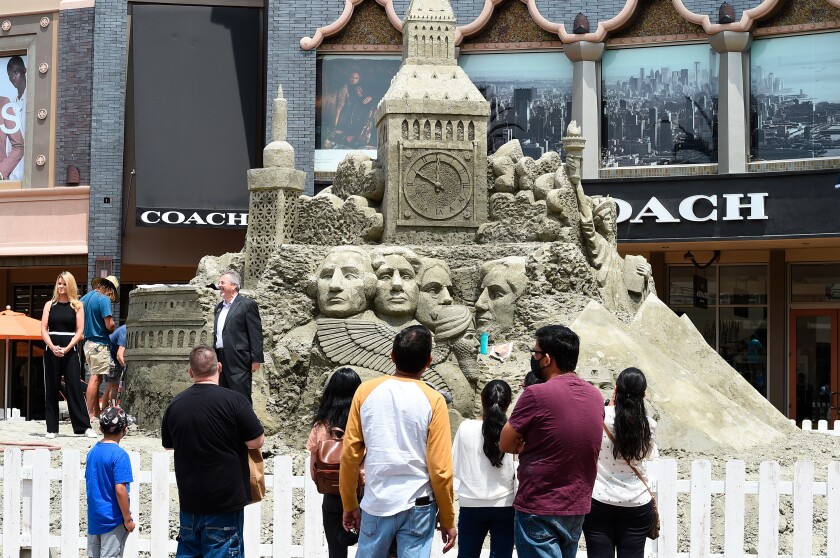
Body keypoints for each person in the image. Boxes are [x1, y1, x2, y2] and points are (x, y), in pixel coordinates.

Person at [340, 325, 457, 556]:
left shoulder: (366, 391)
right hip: (419, 504)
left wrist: (349, 503)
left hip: (376, 501)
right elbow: (440, 469)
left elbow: (350, 454)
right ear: (429, 361)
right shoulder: (434, 400)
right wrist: (447, 517)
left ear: (392, 356)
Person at [499, 325, 604, 558]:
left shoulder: (536, 394)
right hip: (576, 506)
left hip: (539, 505)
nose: (534, 359)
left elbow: (505, 443)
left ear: (547, 359)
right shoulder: (596, 396)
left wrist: (525, 443)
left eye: (536, 354)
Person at [161, 345, 265, 557]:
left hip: (189, 503)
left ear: (191, 372)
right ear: (219, 367)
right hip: (225, 503)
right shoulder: (235, 401)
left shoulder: (175, 405)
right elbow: (257, 441)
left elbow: (168, 444)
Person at [583, 367, 658, 558]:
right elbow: (647, 455)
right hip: (637, 502)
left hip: (599, 499)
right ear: (644, 394)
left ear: (615, 389)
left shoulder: (599, 416)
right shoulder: (649, 424)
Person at [452, 380, 516, 558]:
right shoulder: (514, 431)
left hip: (471, 504)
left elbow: (456, 468)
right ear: (508, 402)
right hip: (505, 504)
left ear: (482, 399)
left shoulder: (465, 427)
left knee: (467, 555)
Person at [306, 367, 363, 558]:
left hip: (332, 495)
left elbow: (314, 470)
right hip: (363, 496)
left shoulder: (321, 425)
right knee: (370, 549)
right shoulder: (364, 423)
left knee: (336, 553)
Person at [40, 271, 91, 437]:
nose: (61, 287)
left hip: (70, 349)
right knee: (52, 387)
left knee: (74, 387)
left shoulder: (77, 305)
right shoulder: (49, 305)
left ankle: (84, 427)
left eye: (64, 284)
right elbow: (43, 330)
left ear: (70, 286)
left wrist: (67, 348)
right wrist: (52, 346)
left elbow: (80, 331)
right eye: (59, 283)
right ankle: (52, 429)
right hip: (51, 349)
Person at [85, 406, 135, 558]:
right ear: (125, 429)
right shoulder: (120, 455)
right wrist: (127, 519)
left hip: (95, 518)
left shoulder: (93, 452)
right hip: (113, 520)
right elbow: (120, 490)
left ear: (100, 428)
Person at [213, 270, 264, 402]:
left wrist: (256, 359)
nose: (219, 285)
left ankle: (245, 422)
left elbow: (255, 333)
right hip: (221, 358)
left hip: (239, 360)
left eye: (222, 282)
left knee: (240, 397)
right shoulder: (218, 307)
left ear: (234, 286)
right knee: (223, 396)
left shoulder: (247, 305)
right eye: (219, 283)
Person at [81, 275, 119, 432]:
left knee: (95, 377)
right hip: (99, 342)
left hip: (87, 343)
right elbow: (108, 324)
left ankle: (95, 413)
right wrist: (113, 325)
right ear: (109, 288)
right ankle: (89, 414)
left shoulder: (85, 298)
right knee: (95, 379)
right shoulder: (103, 299)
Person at [5, 56, 25, 181]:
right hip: (12, 176)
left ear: (25, 70)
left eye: (16, 72)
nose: (13, 78)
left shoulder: (32, 100)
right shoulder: (10, 106)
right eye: (9, 74)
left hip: (28, 173)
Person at [104, 323, 127, 407]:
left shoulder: (125, 328)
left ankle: (105, 409)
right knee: (114, 385)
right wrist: (126, 368)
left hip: (109, 353)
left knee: (110, 385)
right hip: (109, 354)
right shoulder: (126, 331)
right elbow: (119, 355)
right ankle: (113, 410)